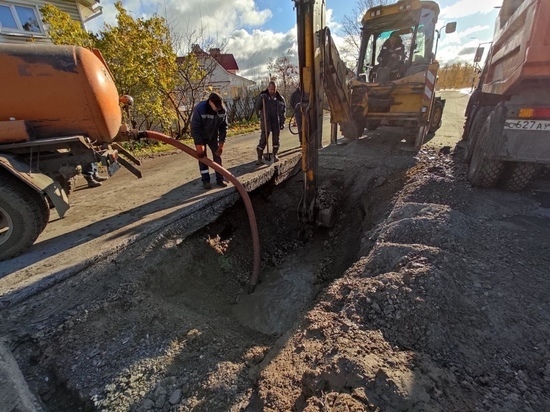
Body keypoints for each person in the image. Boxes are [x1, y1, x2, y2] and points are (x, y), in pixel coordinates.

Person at [190, 92, 228, 190]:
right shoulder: (200, 109)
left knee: (217, 156)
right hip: (201, 137)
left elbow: (223, 127)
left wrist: (221, 144)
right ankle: (206, 181)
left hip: (213, 137)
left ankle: (220, 179)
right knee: (202, 158)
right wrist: (199, 145)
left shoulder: (222, 110)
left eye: (220, 106)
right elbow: (195, 128)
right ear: (210, 102)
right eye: (216, 106)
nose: (218, 108)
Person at [254, 81, 286, 164]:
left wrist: (282, 122)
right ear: (268, 88)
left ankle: (274, 155)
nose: (272, 91)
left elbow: (283, 111)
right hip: (266, 121)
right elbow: (257, 107)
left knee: (276, 139)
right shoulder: (263, 96)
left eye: (274, 89)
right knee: (263, 139)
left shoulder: (280, 98)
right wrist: (261, 99)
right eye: (271, 89)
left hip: (276, 121)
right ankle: (259, 158)